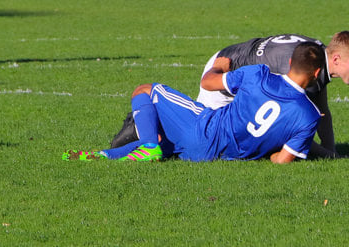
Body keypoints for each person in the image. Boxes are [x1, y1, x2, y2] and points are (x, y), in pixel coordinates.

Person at [109, 31, 349, 159]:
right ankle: (144, 132)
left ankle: (158, 142)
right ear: (335, 59)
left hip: (246, 75)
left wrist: (331, 152)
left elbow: (321, 111)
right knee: (206, 134)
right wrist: (319, 152)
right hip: (226, 67)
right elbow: (289, 121)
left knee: (216, 140)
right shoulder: (285, 68)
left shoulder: (313, 60)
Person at [63, 42, 325, 163]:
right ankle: (99, 157)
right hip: (215, 156)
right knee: (168, 143)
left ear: (290, 62)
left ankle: (149, 143)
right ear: (316, 74)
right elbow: (281, 161)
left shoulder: (258, 74)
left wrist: (219, 68)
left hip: (204, 129)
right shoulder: (309, 116)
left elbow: (208, 83)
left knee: (144, 90)